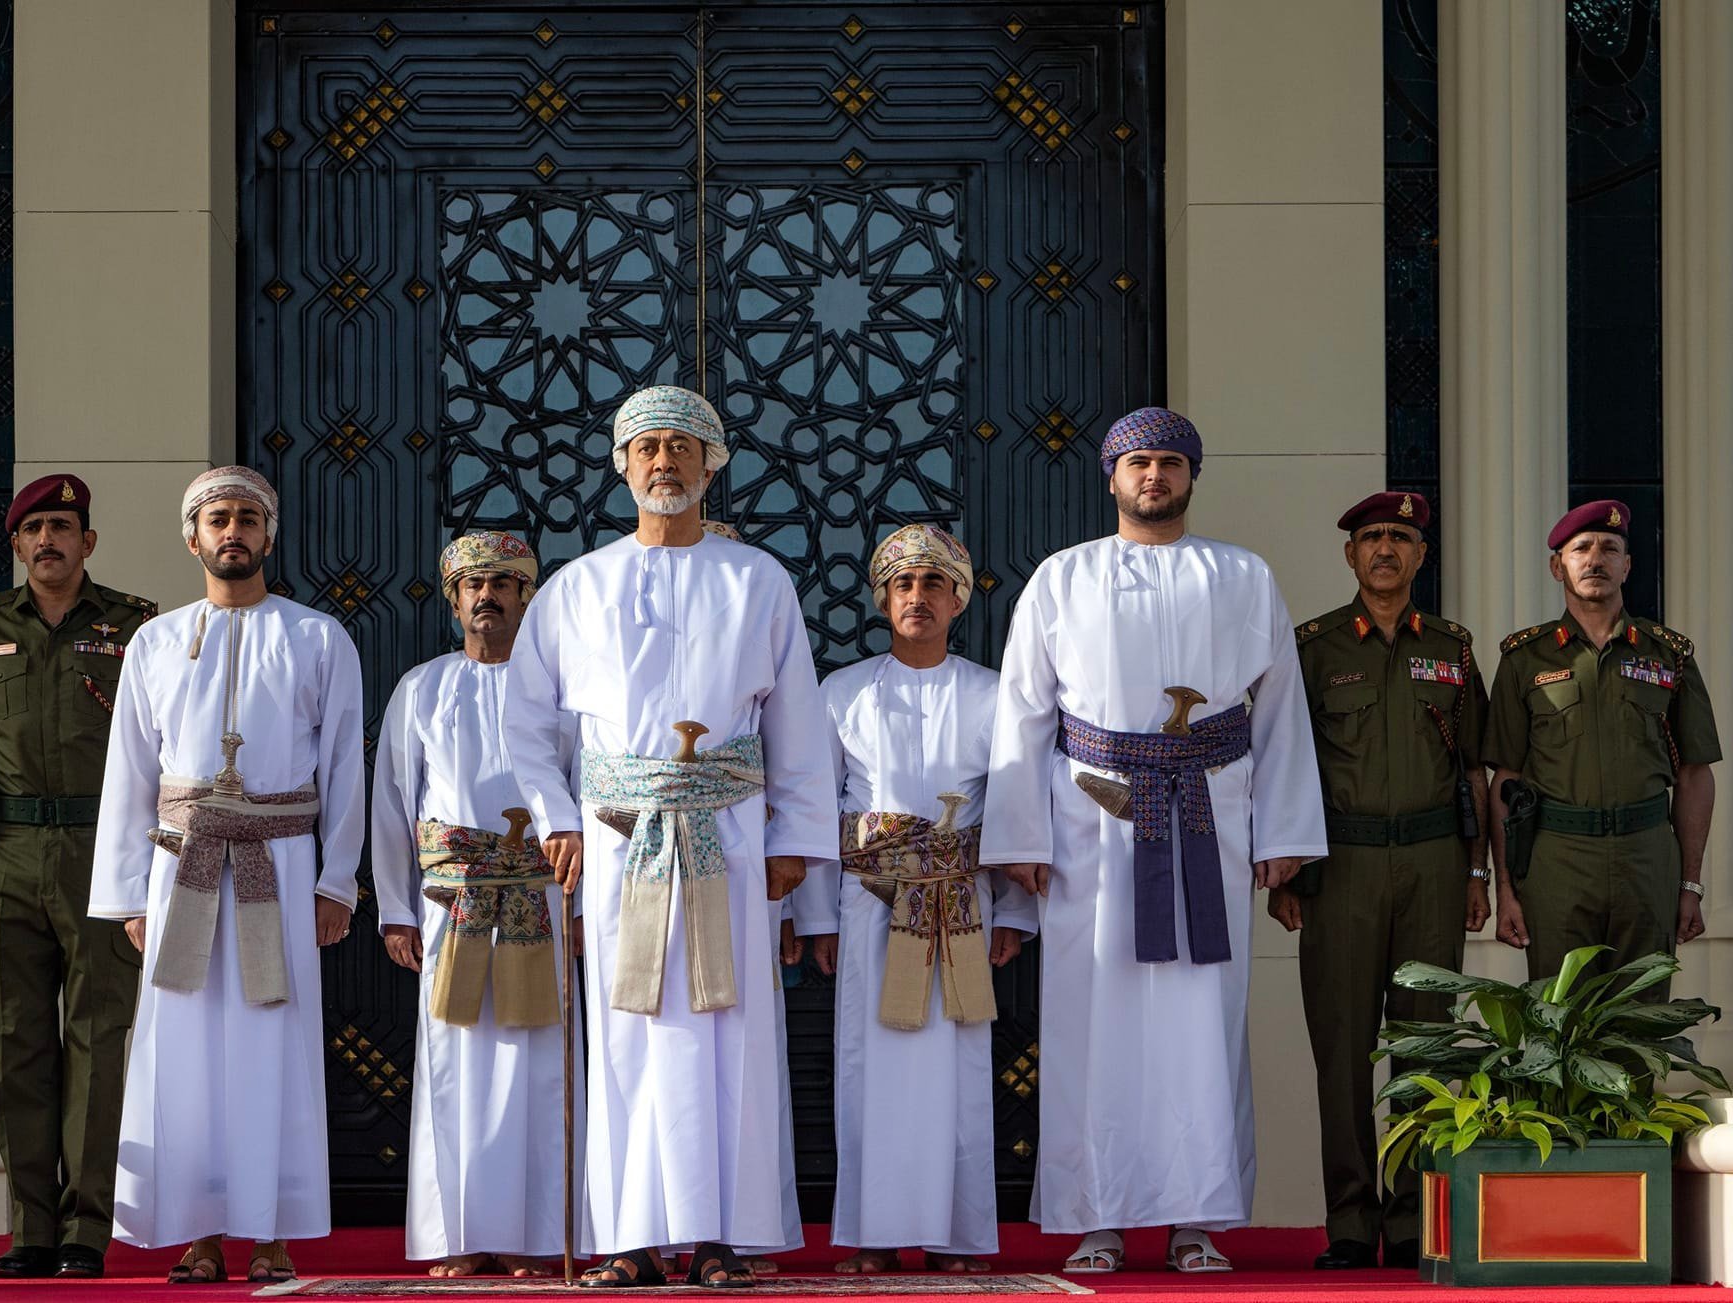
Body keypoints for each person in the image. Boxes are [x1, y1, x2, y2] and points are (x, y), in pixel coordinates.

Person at [501, 385, 837, 1288]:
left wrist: (793, 842)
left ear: (712, 464)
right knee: (628, 1028)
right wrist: (559, 820)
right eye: (647, 446)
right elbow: (528, 723)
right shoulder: (577, 588)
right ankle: (631, 1236)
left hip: (728, 837)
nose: (664, 462)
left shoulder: (758, 579)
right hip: (619, 840)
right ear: (621, 464)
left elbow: (798, 729)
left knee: (729, 1026)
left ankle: (722, 1234)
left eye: (683, 447)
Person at [980, 407, 1326, 1276]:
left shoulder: (1242, 575)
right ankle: (1094, 1213)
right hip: (1094, 823)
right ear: (1111, 476)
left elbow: (1278, 712)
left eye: (1170, 461)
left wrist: (1284, 831)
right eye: (1138, 462)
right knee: (1093, 1018)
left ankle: (1195, 1218)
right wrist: (1020, 835)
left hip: (1212, 810)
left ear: (1191, 476)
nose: (1154, 475)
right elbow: (1024, 713)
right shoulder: (1063, 579)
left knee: (1202, 1021)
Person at [88, 466, 364, 1285]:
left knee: (269, 1040)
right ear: (192, 536)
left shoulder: (319, 637)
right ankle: (198, 1229)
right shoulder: (155, 641)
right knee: (185, 1050)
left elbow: (348, 765)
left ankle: (270, 1227)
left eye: (247, 517)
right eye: (217, 519)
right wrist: (129, 893)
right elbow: (131, 774)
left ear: (269, 534)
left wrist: (338, 882)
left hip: (279, 863)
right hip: (180, 870)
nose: (232, 531)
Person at [1269, 491, 1489, 1271]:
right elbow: (1284, 761)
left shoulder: (1454, 649)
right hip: (1343, 864)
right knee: (1343, 1047)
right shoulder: (1316, 647)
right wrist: (1283, 870)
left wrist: (1476, 869)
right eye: (1371, 538)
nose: (1386, 549)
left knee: (1425, 1046)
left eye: (1400, 537)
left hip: (1432, 862)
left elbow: (1474, 769)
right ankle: (1353, 1222)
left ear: (1421, 555)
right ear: (1351, 556)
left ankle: (1415, 1215)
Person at [806, 523, 1033, 1275]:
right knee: (870, 1062)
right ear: (882, 598)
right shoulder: (841, 692)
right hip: (869, 902)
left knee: (957, 1065)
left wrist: (1014, 910)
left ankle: (954, 1234)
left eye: (933, 583)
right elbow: (814, 807)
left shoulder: (993, 693)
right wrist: (814, 915)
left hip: (960, 904)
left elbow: (1012, 807)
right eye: (903, 584)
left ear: (959, 598)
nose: (917, 597)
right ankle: (871, 1232)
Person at [0, 475, 157, 1279]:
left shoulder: (134, 626)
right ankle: (29, 1226)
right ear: (16, 542)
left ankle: (87, 1227)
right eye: (35, 527)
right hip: (6, 848)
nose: (49, 539)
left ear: (89, 541)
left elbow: (155, 754)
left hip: (100, 848)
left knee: (99, 1039)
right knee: (14, 1043)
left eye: (64, 526)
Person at [370, 530, 568, 1278]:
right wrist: (393, 907)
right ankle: (460, 1234)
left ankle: (535, 1236)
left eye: (503, 583)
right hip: (449, 902)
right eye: (473, 584)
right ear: (453, 600)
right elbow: (393, 804)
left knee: (536, 1061)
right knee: (455, 1062)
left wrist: (579, 910)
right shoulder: (422, 686)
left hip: (538, 899)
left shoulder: (561, 689)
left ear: (526, 595)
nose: (487, 594)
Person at [1485, 499, 1719, 992]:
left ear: (1627, 565)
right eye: (1581, 548)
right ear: (1557, 566)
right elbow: (1505, 778)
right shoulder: (1523, 658)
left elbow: (1696, 774)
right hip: (1557, 859)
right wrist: (1506, 888)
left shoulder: (1669, 655)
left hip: (1647, 857)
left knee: (1641, 1017)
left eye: (1610, 548)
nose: (1596, 559)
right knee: (1560, 1020)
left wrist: (1690, 885)